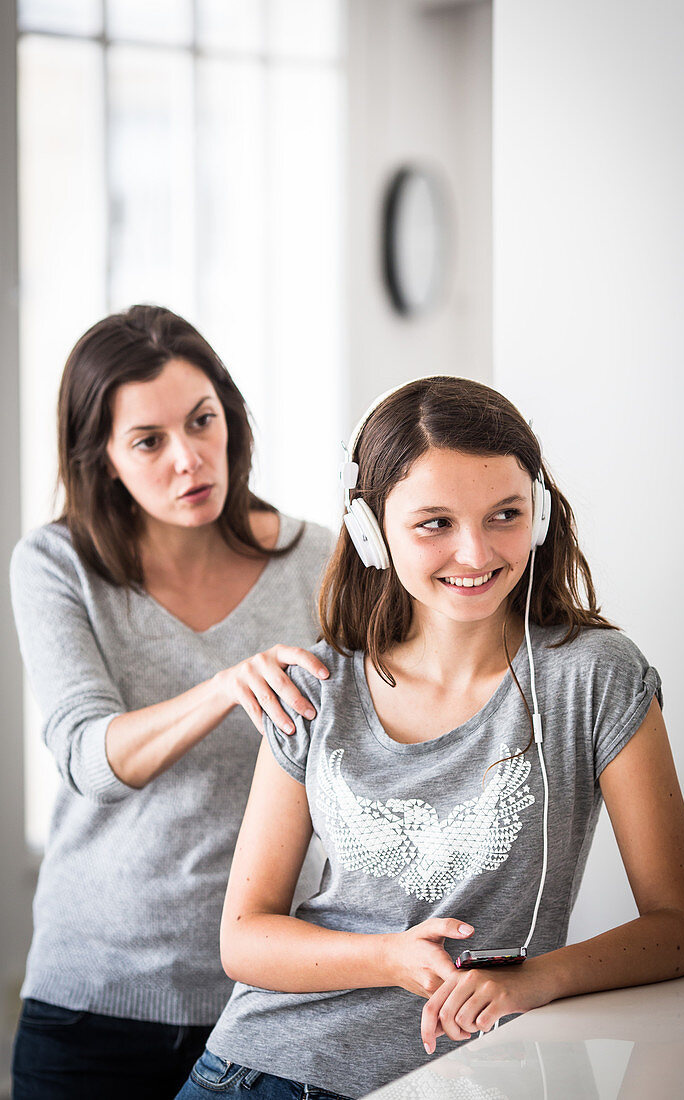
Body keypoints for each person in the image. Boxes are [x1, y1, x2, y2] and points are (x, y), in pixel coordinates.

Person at [176, 377, 684, 1100]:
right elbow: (245, 938)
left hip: (476, 1078)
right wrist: (389, 958)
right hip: (260, 1068)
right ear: (371, 532)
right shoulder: (316, 684)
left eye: (504, 515)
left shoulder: (593, 676)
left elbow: (678, 929)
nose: (474, 552)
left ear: (540, 515)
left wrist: (536, 980)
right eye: (434, 523)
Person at [9, 305, 333, 1100]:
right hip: (92, 1002)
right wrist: (225, 687)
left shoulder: (320, 562)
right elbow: (88, 756)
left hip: (269, 1000)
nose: (189, 460)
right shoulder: (56, 564)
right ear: (105, 459)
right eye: (149, 442)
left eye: (202, 422)